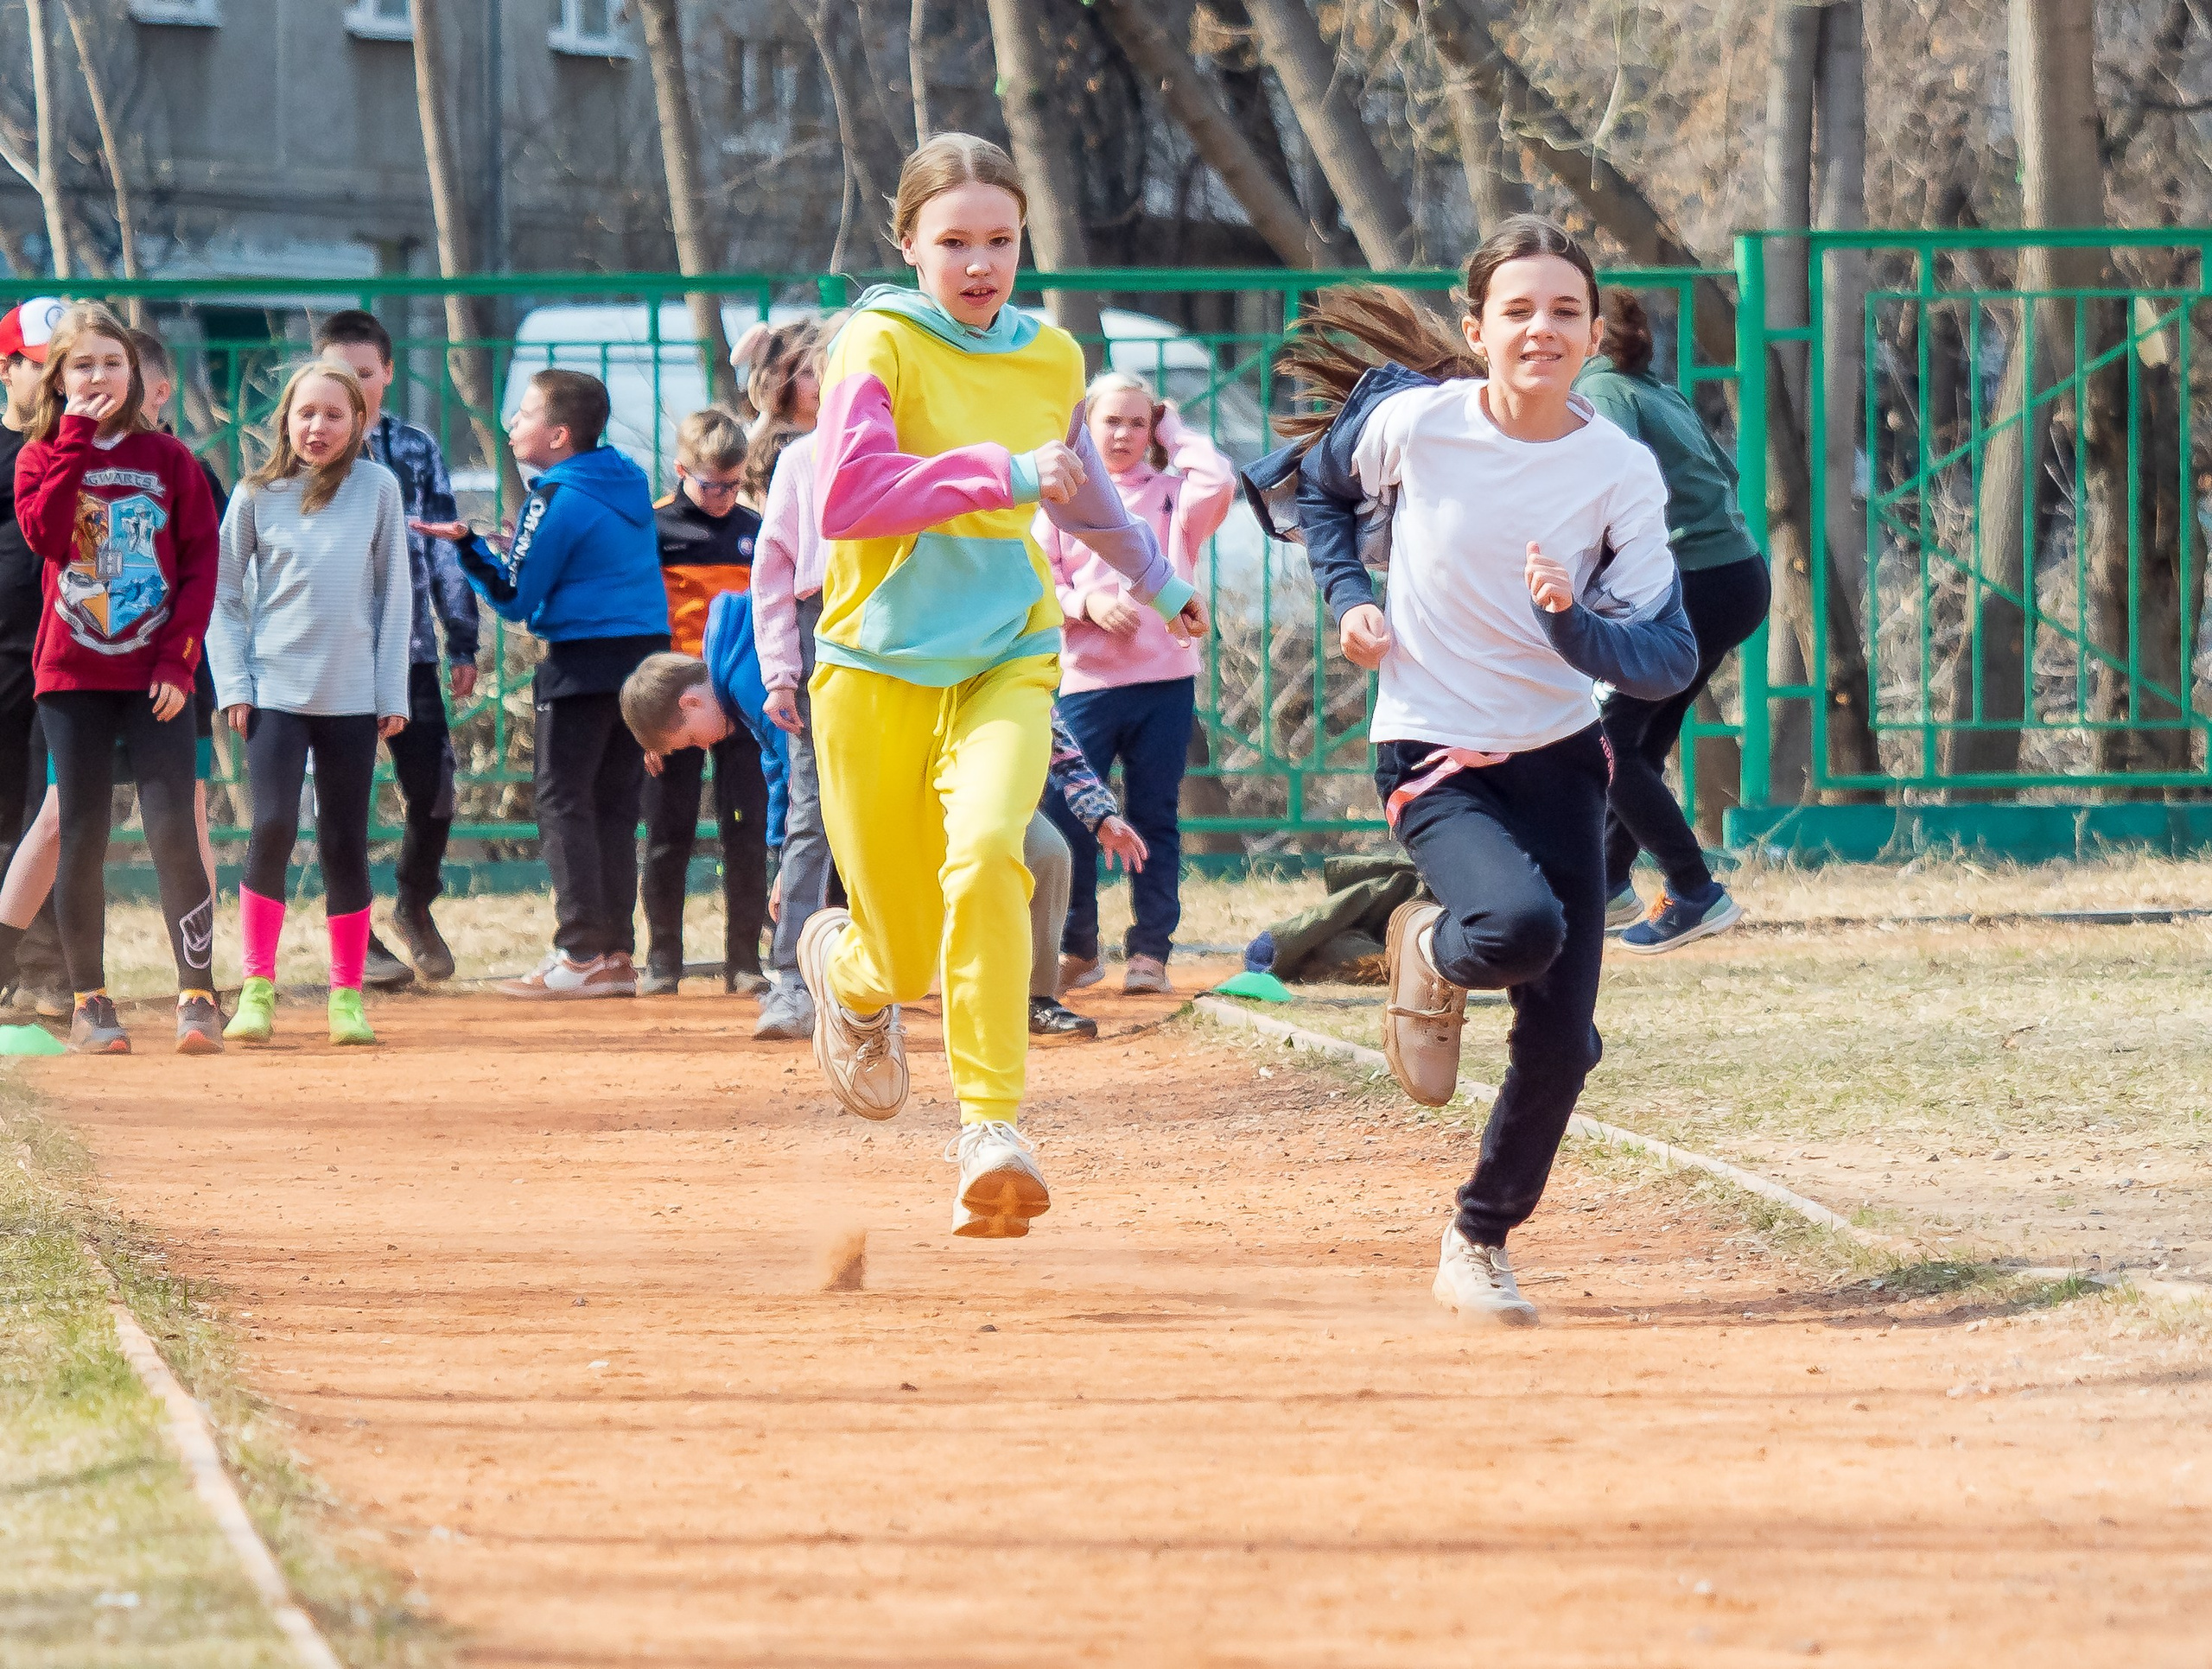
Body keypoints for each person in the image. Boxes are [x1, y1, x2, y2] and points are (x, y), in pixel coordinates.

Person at [1283, 216, 1695, 1323]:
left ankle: (1478, 1239)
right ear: (1477, 328)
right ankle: (1425, 936)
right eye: (1516, 310)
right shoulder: (1420, 427)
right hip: (1431, 746)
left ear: (1594, 332)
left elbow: (1665, 657)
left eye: (1565, 310)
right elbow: (1317, 494)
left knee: (1563, 1040)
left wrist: (1570, 626)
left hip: (1560, 754)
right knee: (1516, 931)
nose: (1541, 329)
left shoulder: (1618, 470)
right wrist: (1349, 600)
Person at [799, 131, 1205, 1239]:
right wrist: (1003, 472)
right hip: (873, 665)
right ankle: (850, 974)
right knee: (900, 944)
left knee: (993, 856)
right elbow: (848, 494)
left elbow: (1077, 496)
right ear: (909, 245)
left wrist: (1159, 579)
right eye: (955, 243)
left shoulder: (1054, 357)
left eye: (1001, 241)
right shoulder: (874, 344)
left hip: (1008, 652)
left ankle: (990, 1128)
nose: (980, 265)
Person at [411, 369, 668, 999]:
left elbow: (517, 596)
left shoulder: (556, 495)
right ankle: (614, 955)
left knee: (563, 801)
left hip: (581, 662)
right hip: (641, 658)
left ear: (557, 434)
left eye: (523, 415)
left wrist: (470, 546)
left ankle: (578, 951)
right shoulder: (624, 481)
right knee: (613, 805)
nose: (510, 425)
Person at [10, 303, 224, 1054]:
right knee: (84, 834)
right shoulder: (39, 455)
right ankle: (90, 1002)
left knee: (172, 827)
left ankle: (197, 994)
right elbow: (46, 531)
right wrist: (72, 436)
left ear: (135, 375)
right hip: (71, 676)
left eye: (111, 362)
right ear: (59, 377)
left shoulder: (172, 462)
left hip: (156, 674)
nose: (98, 376)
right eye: (81, 365)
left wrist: (179, 659)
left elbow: (202, 565)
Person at [209, 362, 410, 1045]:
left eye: (333, 414)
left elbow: (394, 598)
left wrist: (392, 692)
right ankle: (257, 988)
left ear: (358, 422)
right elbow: (223, 595)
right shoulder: (257, 493)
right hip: (274, 694)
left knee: (344, 840)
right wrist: (234, 684)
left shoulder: (379, 489)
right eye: (305, 413)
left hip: (353, 697)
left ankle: (346, 995)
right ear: (285, 421)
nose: (317, 426)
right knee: (271, 827)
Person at [1575, 291, 1768, 952]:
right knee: (1639, 736)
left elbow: (1605, 497)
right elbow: (1725, 472)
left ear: (1593, 331)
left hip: (1688, 585)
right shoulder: (1652, 390)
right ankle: (1605, 883)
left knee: (1605, 743)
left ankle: (1693, 889)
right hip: (1733, 576)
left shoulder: (1599, 397)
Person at [1039, 373, 1233, 997]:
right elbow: (1041, 582)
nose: (1123, 435)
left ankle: (1150, 951)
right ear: (1085, 430)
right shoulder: (1061, 500)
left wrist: (1174, 426)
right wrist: (1084, 605)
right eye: (1109, 422)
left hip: (1163, 682)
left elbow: (1221, 480)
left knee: (1154, 815)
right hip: (1085, 684)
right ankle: (1078, 943)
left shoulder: (1175, 495)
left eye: (1137, 423)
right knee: (1072, 814)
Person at [315, 309, 481, 987]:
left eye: (364, 375)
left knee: (436, 789)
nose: (352, 389)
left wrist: (461, 633)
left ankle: (413, 903)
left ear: (387, 373)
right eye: (337, 375)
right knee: (341, 799)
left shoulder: (413, 450)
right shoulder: (308, 448)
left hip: (408, 651)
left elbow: (443, 545)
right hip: (332, 657)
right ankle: (351, 941)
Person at [639, 408, 770, 995]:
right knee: (670, 831)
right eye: (708, 484)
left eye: (733, 484)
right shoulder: (654, 530)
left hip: (741, 705)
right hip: (675, 704)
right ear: (680, 469)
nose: (721, 496)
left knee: (746, 828)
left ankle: (744, 960)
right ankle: (662, 959)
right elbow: (639, 625)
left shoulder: (755, 529)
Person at [617, 593, 789, 917]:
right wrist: (781, 847)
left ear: (690, 703)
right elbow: (776, 762)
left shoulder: (745, 683)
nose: (703, 747)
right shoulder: (730, 678)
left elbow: (800, 772)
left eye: (693, 739)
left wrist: (792, 865)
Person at [0, 297, 69, 1014]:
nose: (55, 383)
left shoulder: (80, 448)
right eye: (43, 368)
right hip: (1, 658)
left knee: (46, 813)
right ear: (7, 369)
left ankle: (49, 971)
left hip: (65, 660)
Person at [1027, 711, 1149, 1038]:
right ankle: (877, 1000)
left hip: (999, 809)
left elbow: (1065, 756)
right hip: (920, 801)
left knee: (1050, 853)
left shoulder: (1019, 666)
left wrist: (1101, 816)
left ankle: (1036, 999)